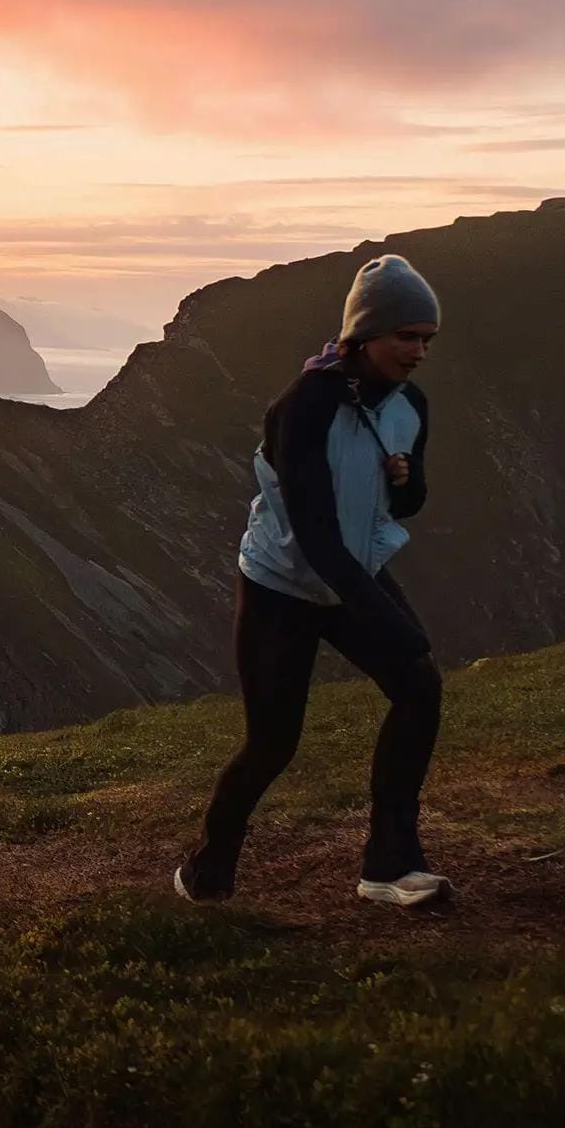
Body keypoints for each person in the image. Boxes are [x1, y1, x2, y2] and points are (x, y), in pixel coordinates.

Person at [178, 254, 451, 909]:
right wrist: (387, 621)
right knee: (273, 744)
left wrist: (404, 480)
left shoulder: (408, 407)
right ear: (364, 334)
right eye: (405, 337)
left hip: (351, 572)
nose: (418, 352)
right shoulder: (303, 406)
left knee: (419, 689)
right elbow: (315, 533)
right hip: (281, 586)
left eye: (426, 339)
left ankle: (391, 863)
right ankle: (207, 869)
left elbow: (407, 505)